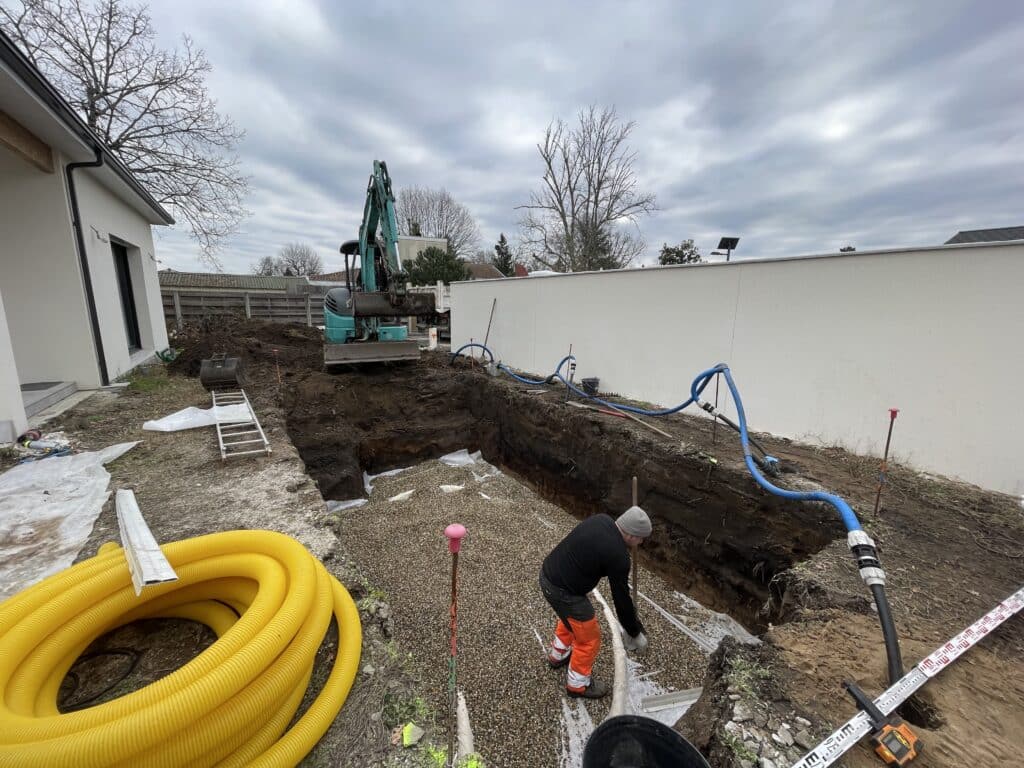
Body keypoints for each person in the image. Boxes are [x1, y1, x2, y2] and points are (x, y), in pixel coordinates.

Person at [539, 506, 650, 698]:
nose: (641, 542)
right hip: (564, 592)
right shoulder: (619, 557)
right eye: (641, 538)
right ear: (631, 535)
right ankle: (578, 685)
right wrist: (634, 631)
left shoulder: (601, 519)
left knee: (571, 620)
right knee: (589, 638)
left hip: (548, 575)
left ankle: (557, 655)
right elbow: (621, 599)